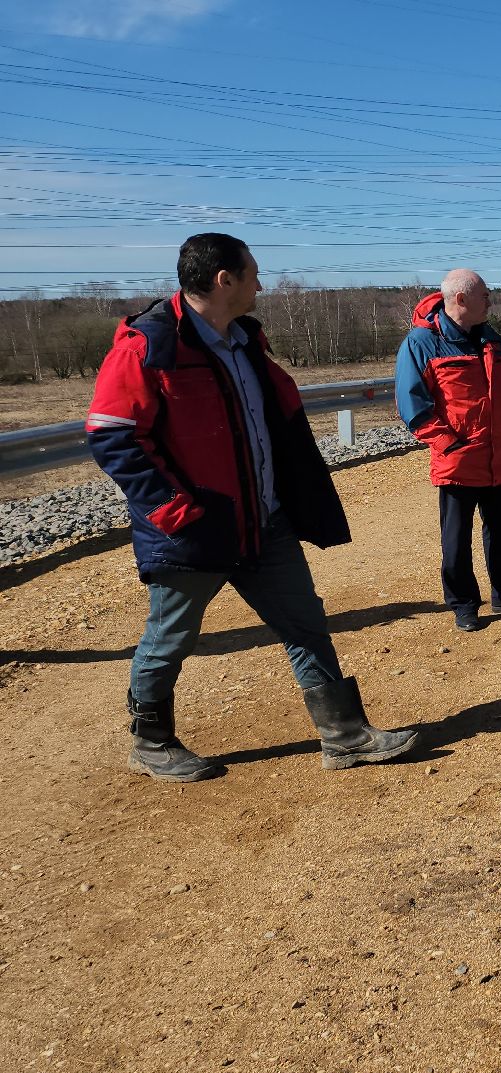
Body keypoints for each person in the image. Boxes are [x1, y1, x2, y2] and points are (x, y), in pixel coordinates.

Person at [85, 233, 416, 782]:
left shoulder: (244, 341)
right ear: (225, 280)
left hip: (263, 523)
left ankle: (346, 736)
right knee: (171, 638)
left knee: (305, 622)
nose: (261, 283)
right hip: (192, 529)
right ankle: (150, 741)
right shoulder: (149, 346)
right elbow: (112, 434)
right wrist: (170, 506)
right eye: (254, 273)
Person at [396, 269, 501, 632]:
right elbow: (413, 406)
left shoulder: (494, 340)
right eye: (484, 294)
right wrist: (449, 444)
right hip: (458, 461)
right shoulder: (422, 343)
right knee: (456, 542)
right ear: (461, 299)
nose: (490, 300)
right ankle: (464, 605)